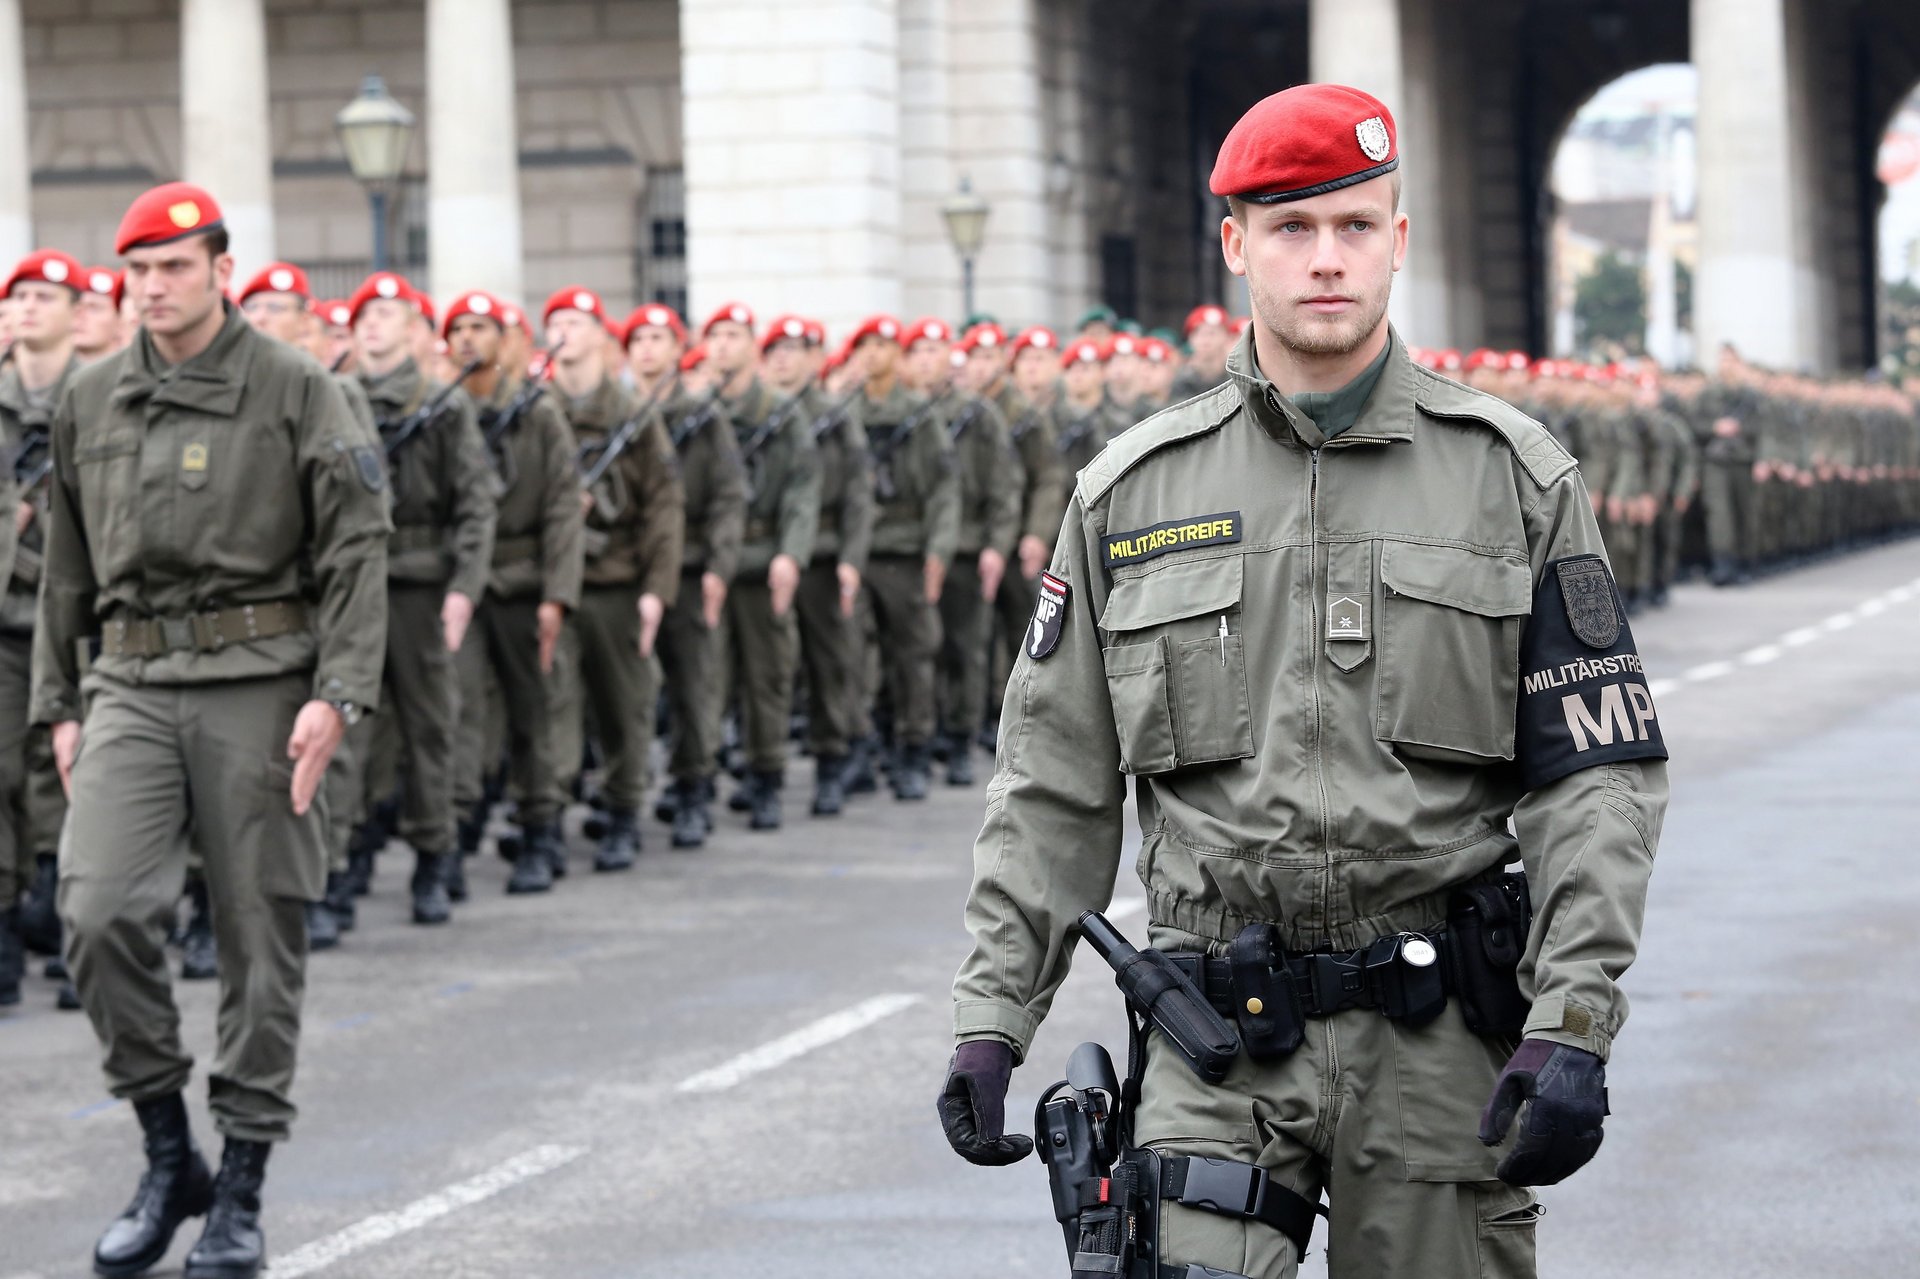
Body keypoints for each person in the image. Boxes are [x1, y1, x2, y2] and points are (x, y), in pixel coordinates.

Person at [938, 86, 1668, 1279]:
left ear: (1398, 238)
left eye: (1354, 226)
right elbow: (1051, 784)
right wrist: (992, 1017)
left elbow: (1598, 781)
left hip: (1438, 1047)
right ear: (1235, 243)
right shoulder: (1130, 495)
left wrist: (1574, 1020)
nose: (1325, 260)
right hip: (1214, 1038)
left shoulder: (1515, 481)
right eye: (1290, 229)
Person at [36, 182, 390, 1279]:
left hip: (261, 681)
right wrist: (58, 699)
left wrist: (339, 693)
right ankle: (164, 1147)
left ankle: (238, 1188)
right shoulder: (91, 398)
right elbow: (66, 563)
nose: (153, 287)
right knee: (95, 914)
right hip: (133, 679)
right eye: (138, 270)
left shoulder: (299, 390)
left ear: (221, 269)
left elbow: (355, 548)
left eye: (175, 266)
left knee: (257, 932)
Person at [348, 271, 496, 924]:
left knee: (430, 725)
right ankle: (342, 858)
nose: (374, 325)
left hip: (420, 585)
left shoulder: (443, 403)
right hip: (352, 582)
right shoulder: (335, 399)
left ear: (414, 330)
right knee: (347, 730)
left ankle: (435, 853)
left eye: (389, 314)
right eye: (365, 316)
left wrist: (464, 587)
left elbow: (473, 503)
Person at [444, 290, 583, 895]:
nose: (469, 339)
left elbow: (561, 507)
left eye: (482, 327)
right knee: (461, 710)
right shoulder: (443, 411)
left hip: (525, 582)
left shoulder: (538, 412)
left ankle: (539, 827)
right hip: (463, 587)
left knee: (534, 712)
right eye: (459, 329)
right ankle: (450, 832)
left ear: (505, 341)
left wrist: (557, 595)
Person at [543, 287, 683, 870]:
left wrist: (656, 590)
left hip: (618, 581)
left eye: (576, 323)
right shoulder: (536, 409)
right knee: (553, 706)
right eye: (554, 323)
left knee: (625, 705)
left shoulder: (632, 416)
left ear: (601, 336)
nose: (563, 334)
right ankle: (546, 819)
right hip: (555, 586)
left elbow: (663, 505)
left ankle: (624, 809)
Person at [626, 303, 745, 848]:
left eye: (658, 339)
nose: (647, 349)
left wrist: (720, 566)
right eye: (639, 340)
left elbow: (726, 496)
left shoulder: (704, 416)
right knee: (629, 690)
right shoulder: (618, 412)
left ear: (677, 349)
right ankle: (625, 790)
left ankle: (694, 786)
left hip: (693, 567)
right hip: (631, 569)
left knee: (695, 684)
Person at [704, 304, 819, 831]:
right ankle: (701, 779)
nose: (723, 346)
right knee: (708, 678)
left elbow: (802, 488)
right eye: (715, 336)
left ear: (751, 346)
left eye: (733, 335)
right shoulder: (697, 411)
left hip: (763, 558)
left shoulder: (781, 412)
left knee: (766, 678)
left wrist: (790, 556)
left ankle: (766, 776)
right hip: (710, 563)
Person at [0, 249, 77, 1012]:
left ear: (75, 310)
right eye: (16, 295)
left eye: (42, 294)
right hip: (3, 620)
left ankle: (70, 929)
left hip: (75, 620)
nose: (25, 306)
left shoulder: (104, 395)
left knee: (72, 778)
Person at [850, 314, 958, 799]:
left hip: (907, 552)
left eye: (882, 345)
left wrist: (938, 550)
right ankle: (867, 746)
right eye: (864, 346)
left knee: (913, 656)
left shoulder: (919, 413)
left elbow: (942, 488)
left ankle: (914, 748)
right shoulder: (846, 412)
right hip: (858, 551)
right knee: (856, 657)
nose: (873, 355)